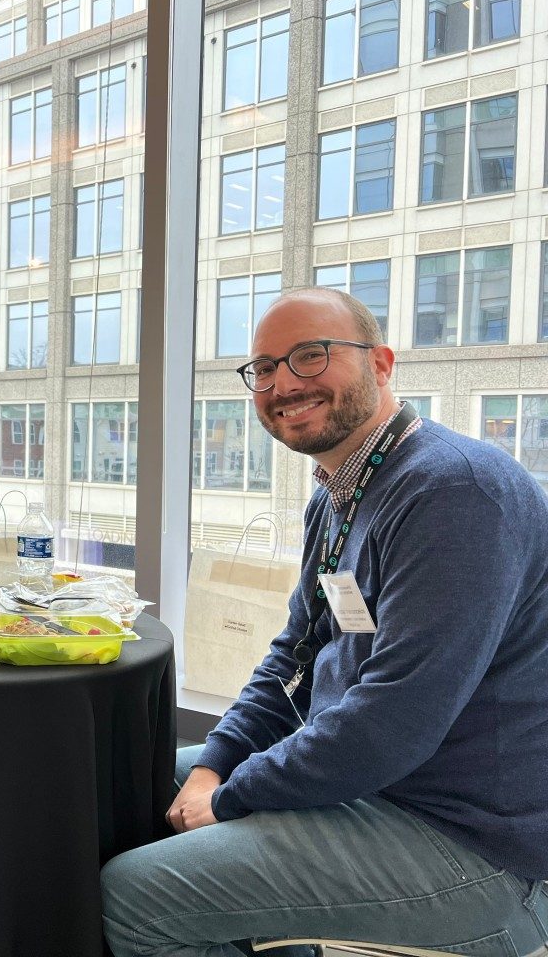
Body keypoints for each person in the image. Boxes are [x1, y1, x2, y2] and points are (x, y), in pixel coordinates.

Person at [101, 288, 548, 957]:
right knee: (114, 797)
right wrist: (220, 760)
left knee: (131, 895)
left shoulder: (454, 492)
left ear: (383, 363)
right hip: (377, 788)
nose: (284, 382)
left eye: (311, 356)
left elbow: (392, 723)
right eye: (265, 368)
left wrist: (229, 796)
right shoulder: (342, 491)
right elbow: (296, 655)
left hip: (471, 844)